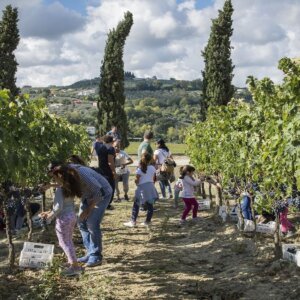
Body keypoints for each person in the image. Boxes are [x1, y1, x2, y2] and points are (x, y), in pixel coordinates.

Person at [39, 165, 83, 276]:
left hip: (63, 219)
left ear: (59, 176)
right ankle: (72, 262)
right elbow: (64, 205)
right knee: (68, 241)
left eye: (54, 177)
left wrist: (49, 218)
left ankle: (75, 267)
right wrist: (50, 212)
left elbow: (58, 207)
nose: (54, 180)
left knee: (64, 243)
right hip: (71, 216)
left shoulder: (60, 189)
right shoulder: (69, 187)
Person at [124, 153, 158, 227]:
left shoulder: (140, 169)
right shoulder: (153, 168)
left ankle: (133, 221)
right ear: (150, 159)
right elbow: (153, 177)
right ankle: (148, 221)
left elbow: (137, 180)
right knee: (150, 205)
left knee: (136, 204)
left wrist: (137, 183)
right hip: (150, 186)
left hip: (142, 187)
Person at [95, 135, 116, 210]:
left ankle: (102, 202)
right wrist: (114, 172)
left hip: (101, 170)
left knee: (103, 187)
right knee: (111, 187)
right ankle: (107, 204)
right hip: (108, 171)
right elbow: (110, 161)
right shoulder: (111, 148)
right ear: (112, 141)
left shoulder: (100, 148)